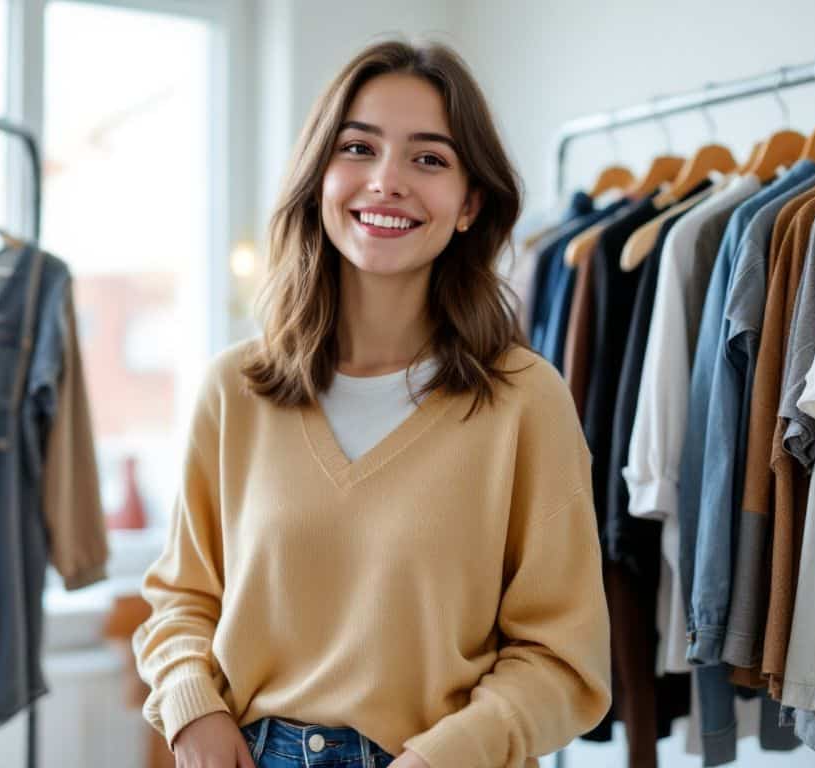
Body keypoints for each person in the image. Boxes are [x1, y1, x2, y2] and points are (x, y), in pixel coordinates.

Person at [132, 39, 611, 768]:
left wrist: (441, 758)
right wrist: (191, 709)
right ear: (319, 175)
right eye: (358, 148)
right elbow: (181, 601)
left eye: (428, 159)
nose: (386, 182)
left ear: (469, 203)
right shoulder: (234, 390)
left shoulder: (523, 401)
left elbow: (563, 657)